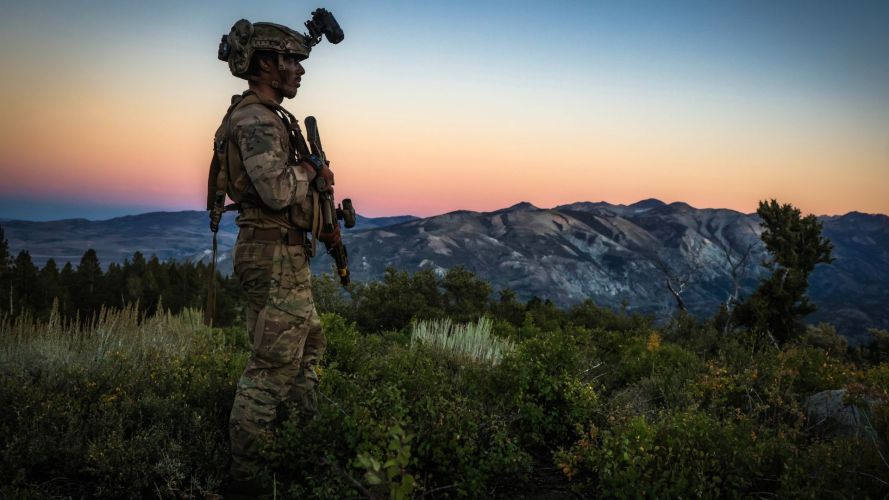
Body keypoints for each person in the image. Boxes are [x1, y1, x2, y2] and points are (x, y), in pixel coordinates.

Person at [209, 18, 339, 495]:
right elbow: (278, 189)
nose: (300, 71)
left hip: (281, 255)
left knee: (308, 351)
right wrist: (310, 172)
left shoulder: (265, 115)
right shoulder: (256, 119)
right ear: (266, 63)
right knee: (272, 367)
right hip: (272, 254)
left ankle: (305, 444)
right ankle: (248, 479)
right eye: (293, 61)